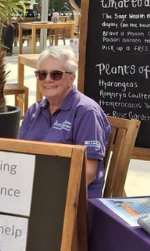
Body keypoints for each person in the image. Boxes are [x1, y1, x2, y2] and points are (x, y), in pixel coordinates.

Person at [18, 46, 110, 199]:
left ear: (71, 78)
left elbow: (88, 173)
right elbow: (18, 156)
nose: (48, 79)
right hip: (33, 194)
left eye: (56, 75)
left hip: (70, 201)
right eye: (42, 74)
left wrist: (44, 195)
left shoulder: (86, 112)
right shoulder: (34, 110)